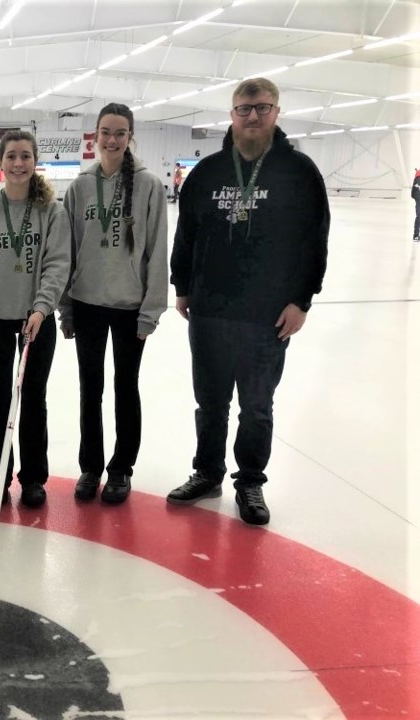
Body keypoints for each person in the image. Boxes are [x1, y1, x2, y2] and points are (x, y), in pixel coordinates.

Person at [168, 77, 329, 525]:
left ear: (276, 111)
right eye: (244, 108)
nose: (253, 116)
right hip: (211, 309)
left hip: (267, 314)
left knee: (257, 406)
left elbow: (314, 239)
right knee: (211, 402)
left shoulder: (299, 172)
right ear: (232, 114)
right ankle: (207, 472)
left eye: (262, 107)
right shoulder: (208, 173)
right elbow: (187, 234)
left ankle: (251, 481)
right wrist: (182, 286)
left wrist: (302, 299)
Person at [59, 103, 168, 506]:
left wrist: (151, 310)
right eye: (105, 131)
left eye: (120, 133)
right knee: (91, 389)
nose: (112, 139)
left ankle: (121, 469)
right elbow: (66, 251)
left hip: (129, 307)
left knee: (126, 388)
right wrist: (65, 307)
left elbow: (157, 251)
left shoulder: (150, 186)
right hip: (87, 302)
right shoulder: (80, 186)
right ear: (95, 136)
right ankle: (91, 466)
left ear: (130, 137)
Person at [0, 130, 71, 508]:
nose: (18, 163)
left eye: (25, 156)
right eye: (11, 156)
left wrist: (42, 309)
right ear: (0, 163)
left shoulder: (51, 212)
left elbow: (57, 266)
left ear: (35, 161)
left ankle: (34, 479)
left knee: (34, 401)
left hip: (34, 321)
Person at [411, 168, 419, 242]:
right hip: (419, 200)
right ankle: (416, 235)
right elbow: (413, 191)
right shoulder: (418, 177)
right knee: (419, 217)